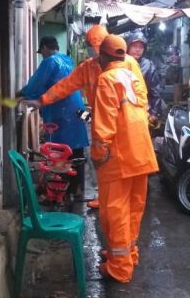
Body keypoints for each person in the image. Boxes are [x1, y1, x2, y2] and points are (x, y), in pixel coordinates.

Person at [23, 25, 148, 209]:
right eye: (94, 48)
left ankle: (113, 205)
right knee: (108, 173)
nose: (98, 54)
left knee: (127, 184)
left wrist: (140, 122)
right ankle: (105, 199)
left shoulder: (127, 63)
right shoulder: (87, 67)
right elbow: (65, 86)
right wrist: (42, 101)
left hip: (127, 129)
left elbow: (141, 96)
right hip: (105, 127)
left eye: (100, 49)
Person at [91, 34, 158, 283]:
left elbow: (104, 125)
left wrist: (98, 154)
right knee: (133, 208)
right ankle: (128, 254)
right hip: (142, 153)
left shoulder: (106, 79)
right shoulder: (133, 75)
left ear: (102, 55)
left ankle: (119, 267)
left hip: (120, 156)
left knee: (115, 211)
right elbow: (143, 109)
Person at [18, 36, 89, 197]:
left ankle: (62, 190)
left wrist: (22, 93)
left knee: (61, 150)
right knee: (77, 150)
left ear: (44, 48)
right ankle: (78, 188)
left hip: (62, 111)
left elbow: (37, 83)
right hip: (77, 109)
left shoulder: (50, 61)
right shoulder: (67, 60)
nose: (42, 55)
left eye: (41, 52)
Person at [125, 30, 164, 126]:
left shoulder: (148, 65)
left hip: (143, 110)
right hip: (125, 108)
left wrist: (154, 113)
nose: (138, 50)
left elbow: (155, 90)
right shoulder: (121, 63)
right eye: (134, 46)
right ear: (128, 46)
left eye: (141, 47)